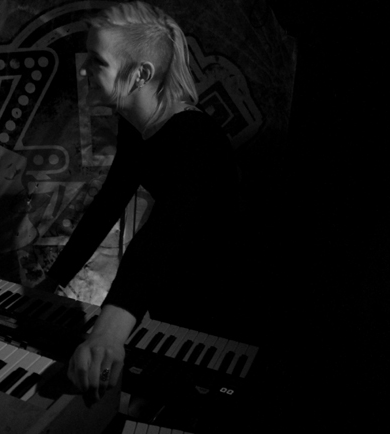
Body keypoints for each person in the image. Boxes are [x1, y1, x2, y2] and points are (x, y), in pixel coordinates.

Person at [36, 1, 247, 405]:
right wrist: (53, 280)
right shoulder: (136, 124)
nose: (84, 69)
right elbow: (108, 203)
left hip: (218, 296)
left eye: (97, 61)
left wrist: (108, 333)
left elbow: (162, 235)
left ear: (140, 74)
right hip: (173, 286)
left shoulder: (195, 139)